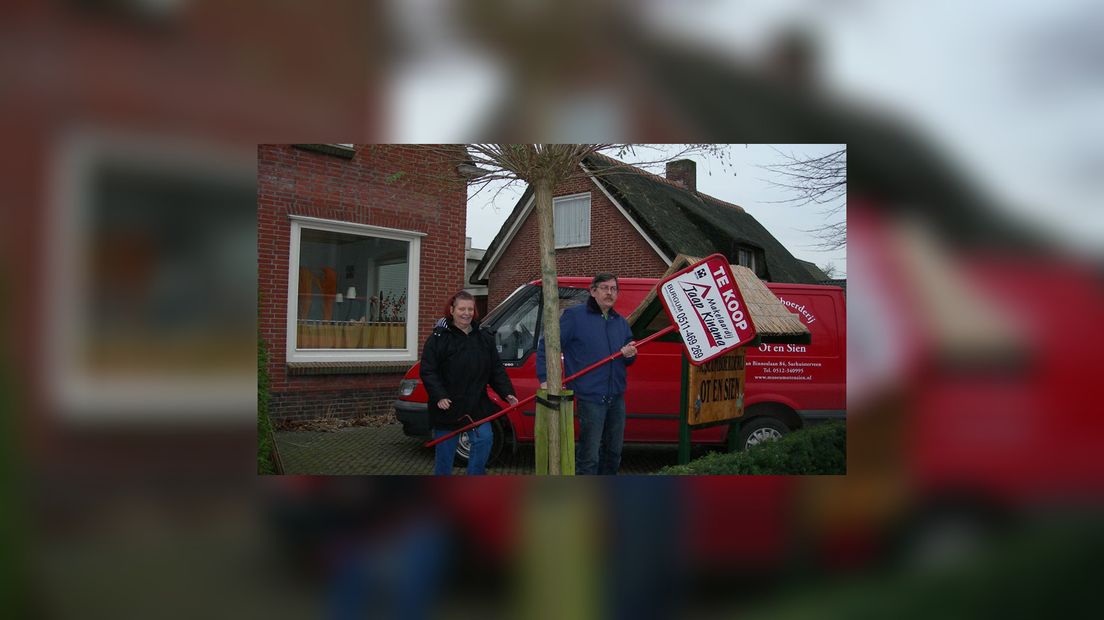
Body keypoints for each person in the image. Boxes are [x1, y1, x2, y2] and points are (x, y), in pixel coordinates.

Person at [536, 273, 638, 475]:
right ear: (593, 291)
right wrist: (544, 378)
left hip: (616, 397)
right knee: (589, 456)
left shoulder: (620, 322)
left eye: (613, 289)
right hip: (590, 399)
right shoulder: (575, 316)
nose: (609, 292)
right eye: (604, 288)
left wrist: (629, 355)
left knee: (613, 453)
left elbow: (630, 358)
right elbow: (548, 345)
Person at [420, 291, 518, 475]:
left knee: (484, 440)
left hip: (476, 405)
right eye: (462, 309)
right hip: (447, 407)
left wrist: (507, 392)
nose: (466, 313)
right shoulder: (439, 339)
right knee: (445, 456)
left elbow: (496, 369)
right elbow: (428, 370)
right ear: (452, 310)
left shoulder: (484, 337)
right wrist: (439, 395)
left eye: (470, 309)